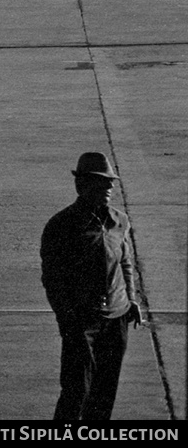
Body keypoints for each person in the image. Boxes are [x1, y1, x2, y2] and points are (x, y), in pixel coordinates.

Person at [42, 152, 144, 421]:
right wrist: (67, 318)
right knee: (77, 391)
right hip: (81, 320)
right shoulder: (61, 225)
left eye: (111, 182)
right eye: (102, 182)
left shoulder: (119, 220)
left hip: (117, 317)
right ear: (82, 185)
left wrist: (131, 299)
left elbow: (126, 263)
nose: (110, 187)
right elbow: (52, 279)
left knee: (104, 393)